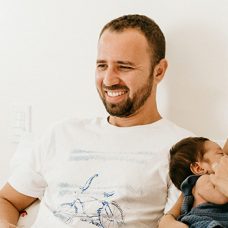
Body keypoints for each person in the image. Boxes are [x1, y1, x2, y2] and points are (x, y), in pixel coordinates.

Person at [0, 14, 193, 228]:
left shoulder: (186, 149)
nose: (109, 80)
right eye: (102, 65)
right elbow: (7, 200)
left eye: (124, 67)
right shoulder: (62, 133)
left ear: (159, 71)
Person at [160, 137, 228, 228]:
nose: (226, 157)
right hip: (204, 221)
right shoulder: (203, 180)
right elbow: (221, 198)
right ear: (199, 168)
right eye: (220, 154)